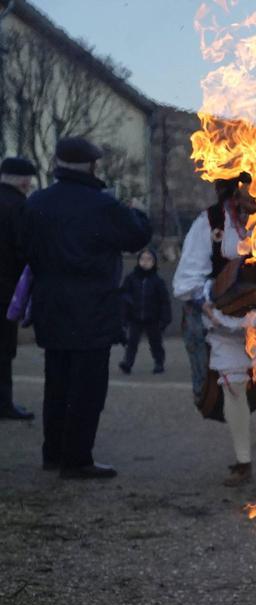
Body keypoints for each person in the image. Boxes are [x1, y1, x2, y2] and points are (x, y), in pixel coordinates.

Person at [19, 137, 152, 478]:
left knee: (57, 381)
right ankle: (77, 459)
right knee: (88, 386)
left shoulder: (37, 202)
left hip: (51, 303)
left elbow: (24, 248)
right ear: (93, 166)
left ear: (58, 163)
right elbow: (137, 236)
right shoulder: (101, 206)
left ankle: (54, 453)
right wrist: (137, 210)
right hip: (92, 307)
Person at [173, 172, 256, 487]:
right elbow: (188, 277)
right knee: (232, 384)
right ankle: (242, 461)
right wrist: (210, 302)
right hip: (224, 321)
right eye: (247, 186)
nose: (255, 193)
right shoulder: (211, 221)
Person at [0, 156, 37, 421]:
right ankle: (4, 403)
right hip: (6, 288)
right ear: (23, 181)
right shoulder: (19, 207)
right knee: (3, 349)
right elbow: (25, 249)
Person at [118, 248, 172, 374]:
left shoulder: (157, 281)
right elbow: (124, 297)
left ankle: (159, 363)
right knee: (132, 342)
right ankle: (128, 363)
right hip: (135, 317)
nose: (145, 262)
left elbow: (165, 301)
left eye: (149, 259)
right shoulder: (131, 279)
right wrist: (123, 317)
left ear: (154, 262)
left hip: (152, 318)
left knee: (156, 343)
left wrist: (165, 319)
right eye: (142, 259)